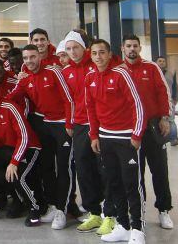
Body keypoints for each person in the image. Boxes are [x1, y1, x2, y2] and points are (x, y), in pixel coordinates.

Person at [6, 44, 74, 229]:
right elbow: (10, 98)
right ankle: (53, 205)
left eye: (32, 57)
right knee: (46, 168)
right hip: (44, 126)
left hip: (62, 126)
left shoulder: (53, 71)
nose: (29, 61)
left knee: (64, 167)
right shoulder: (25, 78)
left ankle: (63, 209)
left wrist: (69, 123)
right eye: (26, 58)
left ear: (39, 57)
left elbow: (68, 98)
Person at [85, 39, 146, 244]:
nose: (98, 57)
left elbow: (138, 105)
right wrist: (94, 135)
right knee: (114, 183)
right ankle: (123, 226)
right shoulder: (90, 77)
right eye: (94, 53)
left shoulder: (121, 74)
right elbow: (90, 109)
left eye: (102, 52)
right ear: (90, 55)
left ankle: (138, 228)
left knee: (131, 184)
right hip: (105, 138)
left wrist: (136, 135)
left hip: (126, 138)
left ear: (110, 54)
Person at [120, 34, 175, 230]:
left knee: (159, 170)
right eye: (128, 46)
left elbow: (163, 92)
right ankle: (138, 211)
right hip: (130, 129)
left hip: (153, 127)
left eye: (135, 46)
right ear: (123, 48)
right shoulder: (118, 70)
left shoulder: (151, 68)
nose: (132, 49)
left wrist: (164, 117)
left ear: (139, 48)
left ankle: (164, 210)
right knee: (135, 174)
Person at [0, 82, 43, 225]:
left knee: (18, 175)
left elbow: (24, 136)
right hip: (7, 150)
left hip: (29, 148)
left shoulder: (9, 107)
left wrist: (14, 162)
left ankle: (35, 209)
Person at [61, 31, 105, 233]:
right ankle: (93, 211)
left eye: (75, 47)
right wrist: (69, 123)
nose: (72, 52)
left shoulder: (95, 65)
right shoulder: (66, 71)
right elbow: (67, 100)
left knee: (103, 168)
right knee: (84, 169)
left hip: (100, 124)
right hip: (79, 125)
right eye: (68, 49)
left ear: (84, 48)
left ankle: (109, 211)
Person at [156, 55, 178, 146]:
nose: (162, 62)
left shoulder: (170, 74)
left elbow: (175, 86)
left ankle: (173, 139)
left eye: (163, 61)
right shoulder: (153, 72)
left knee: (171, 120)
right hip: (156, 101)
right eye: (160, 61)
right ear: (156, 62)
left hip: (169, 100)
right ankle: (159, 140)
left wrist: (176, 98)